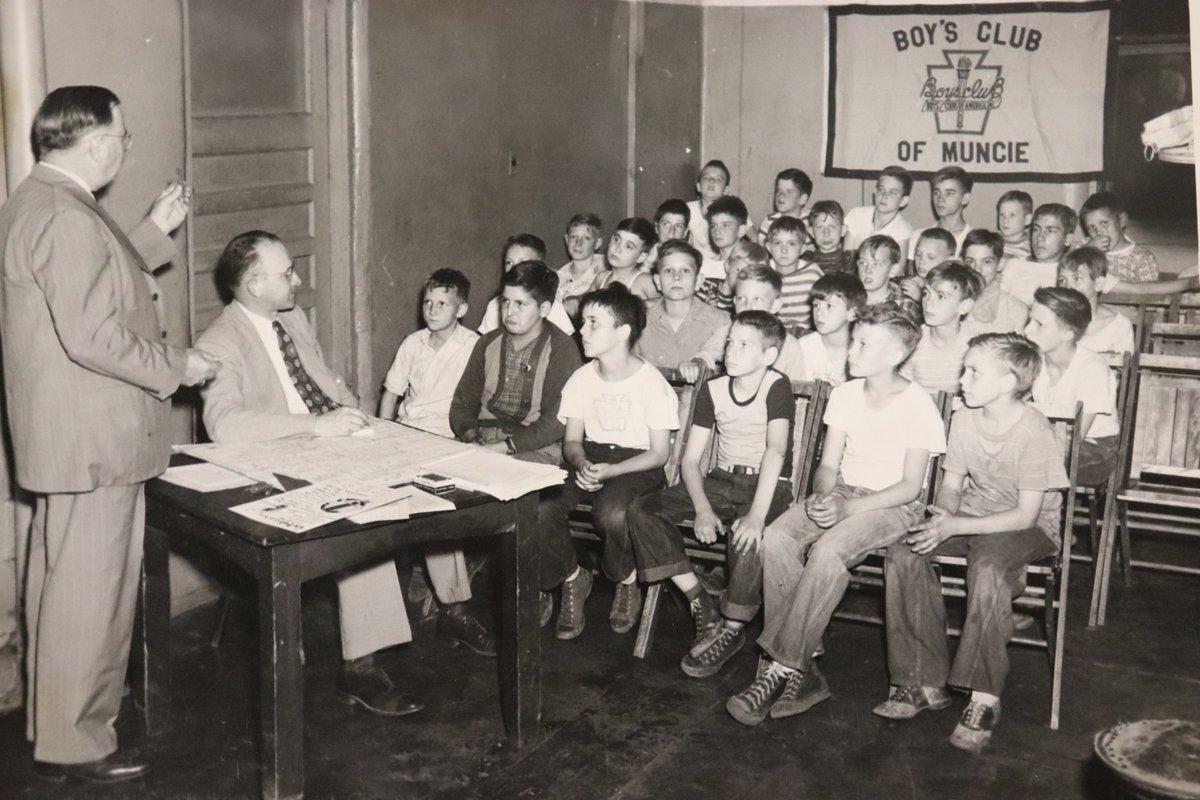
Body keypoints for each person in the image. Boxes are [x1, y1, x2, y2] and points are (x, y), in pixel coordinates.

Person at [0, 85, 219, 783]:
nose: (124, 150)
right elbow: (94, 333)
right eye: (122, 140)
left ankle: (55, 733)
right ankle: (79, 743)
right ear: (95, 144)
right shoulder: (66, 216)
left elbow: (91, 279)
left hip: (68, 438)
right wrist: (180, 366)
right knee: (92, 596)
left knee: (64, 590)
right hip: (95, 439)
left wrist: (152, 231)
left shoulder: (41, 198)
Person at [198, 231, 432, 717]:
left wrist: (356, 416)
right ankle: (361, 667)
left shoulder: (292, 318)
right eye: (287, 273)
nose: (298, 280)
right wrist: (315, 428)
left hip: (333, 443)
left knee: (432, 474)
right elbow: (224, 426)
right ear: (255, 284)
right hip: (278, 462)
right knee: (366, 512)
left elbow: (326, 381)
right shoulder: (219, 341)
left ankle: (454, 605)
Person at [726, 305, 946, 726]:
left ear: (895, 355)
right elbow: (828, 465)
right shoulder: (846, 394)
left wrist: (847, 510)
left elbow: (910, 487)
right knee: (778, 536)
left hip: (893, 506)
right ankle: (804, 663)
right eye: (854, 340)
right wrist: (824, 496)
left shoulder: (918, 405)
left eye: (864, 344)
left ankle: (782, 668)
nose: (852, 350)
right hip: (844, 491)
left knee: (828, 551)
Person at [878, 333, 1068, 753]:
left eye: (974, 372)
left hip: (1028, 526)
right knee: (905, 552)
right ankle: (921, 680)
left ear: (1009, 382)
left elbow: (1026, 516)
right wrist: (943, 518)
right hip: (973, 513)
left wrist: (956, 525)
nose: (962, 379)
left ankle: (984, 697)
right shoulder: (965, 418)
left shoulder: (1034, 430)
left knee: (988, 566)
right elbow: (951, 485)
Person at [628, 311, 795, 676]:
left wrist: (756, 516)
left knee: (748, 536)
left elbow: (776, 451)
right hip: (720, 481)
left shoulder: (776, 385)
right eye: (730, 342)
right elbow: (690, 461)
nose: (731, 351)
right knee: (643, 509)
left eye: (744, 345)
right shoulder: (714, 387)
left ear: (769, 356)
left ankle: (732, 627)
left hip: (768, 485)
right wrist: (703, 508)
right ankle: (699, 600)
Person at [449, 260, 582, 627]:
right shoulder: (489, 343)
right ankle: (453, 598)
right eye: (505, 301)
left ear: (544, 308)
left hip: (539, 444)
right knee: (442, 487)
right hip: (486, 440)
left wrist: (506, 447)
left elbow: (557, 420)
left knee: (528, 503)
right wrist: (471, 435)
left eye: (521, 304)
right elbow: (462, 403)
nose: (509, 311)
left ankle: (559, 578)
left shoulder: (562, 348)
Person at [546, 286, 680, 639]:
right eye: (582, 322)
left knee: (612, 513)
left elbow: (659, 454)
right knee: (541, 505)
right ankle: (572, 577)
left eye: (594, 323)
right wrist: (581, 463)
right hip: (591, 456)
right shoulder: (581, 378)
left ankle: (626, 578)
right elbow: (572, 442)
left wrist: (614, 471)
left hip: (638, 464)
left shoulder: (651, 383)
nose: (582, 330)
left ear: (622, 332)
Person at [377, 268, 496, 656]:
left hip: (448, 438)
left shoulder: (473, 345)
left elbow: (482, 401)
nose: (431, 309)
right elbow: (391, 394)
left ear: (461, 309)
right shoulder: (413, 343)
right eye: (428, 302)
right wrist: (382, 435)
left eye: (442, 304)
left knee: (439, 514)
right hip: (406, 435)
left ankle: (455, 610)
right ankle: (390, 607)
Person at [1024, 287, 1119, 487]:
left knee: (1030, 459)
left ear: (1067, 333)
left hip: (1094, 448)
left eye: (1039, 324)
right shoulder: (1035, 359)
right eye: (1029, 321)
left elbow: (1076, 438)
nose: (1027, 330)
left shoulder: (1092, 368)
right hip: (1051, 439)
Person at [634, 240, 729, 371]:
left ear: (698, 281)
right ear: (658, 281)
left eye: (685, 270)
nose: (676, 277)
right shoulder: (639, 319)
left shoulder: (719, 322)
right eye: (668, 271)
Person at [904, 262, 982, 394]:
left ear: (964, 306)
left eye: (941, 296)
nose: (929, 302)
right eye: (926, 293)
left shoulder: (974, 346)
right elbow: (902, 386)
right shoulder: (914, 338)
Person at [479, 234, 575, 335]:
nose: (514, 268)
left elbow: (567, 341)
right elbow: (484, 341)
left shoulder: (550, 306)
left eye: (523, 262)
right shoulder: (496, 304)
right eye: (509, 262)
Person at [1057, 247, 1136, 355]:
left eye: (1076, 278)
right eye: (1062, 280)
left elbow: (1123, 364)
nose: (1067, 287)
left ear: (1099, 284)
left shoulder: (1119, 326)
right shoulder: (1052, 320)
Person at [792, 272, 865, 386]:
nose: (819, 313)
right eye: (816, 305)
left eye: (829, 306)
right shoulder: (805, 346)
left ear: (852, 313)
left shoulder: (862, 351)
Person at [1000, 203, 1075, 307]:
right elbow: (997, 304)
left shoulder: (1069, 273)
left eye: (1050, 231)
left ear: (1068, 239)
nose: (1040, 237)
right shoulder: (1015, 264)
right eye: (1036, 229)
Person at [1079, 191, 1159, 283]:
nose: (1098, 232)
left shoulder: (1141, 258)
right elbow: (1067, 271)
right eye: (1092, 227)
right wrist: (1087, 251)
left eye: (1104, 223)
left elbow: (1151, 291)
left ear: (1122, 220)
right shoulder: (1084, 246)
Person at [962, 229, 1029, 336]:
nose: (977, 269)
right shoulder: (951, 302)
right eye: (970, 262)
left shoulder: (1015, 310)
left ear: (1000, 264)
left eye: (986, 262)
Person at [907, 166, 974, 263]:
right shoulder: (918, 236)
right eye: (936, 192)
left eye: (949, 193)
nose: (940, 199)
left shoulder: (974, 240)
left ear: (965, 198)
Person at [844, 165, 915, 256]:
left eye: (892, 193)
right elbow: (847, 256)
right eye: (881, 189)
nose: (884, 196)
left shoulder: (902, 229)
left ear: (903, 201)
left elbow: (898, 264)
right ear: (875, 192)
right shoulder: (857, 214)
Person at [769, 216, 823, 334]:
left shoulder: (812, 273)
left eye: (792, 244)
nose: (784, 250)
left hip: (806, 333)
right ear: (769, 247)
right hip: (771, 332)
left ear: (802, 248)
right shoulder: (763, 273)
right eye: (777, 243)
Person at [589, 217, 660, 300]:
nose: (618, 249)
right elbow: (582, 300)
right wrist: (576, 298)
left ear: (641, 257)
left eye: (628, 246)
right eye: (616, 240)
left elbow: (665, 304)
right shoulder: (601, 278)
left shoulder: (645, 282)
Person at [858, 234, 920, 325]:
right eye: (863, 262)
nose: (868, 270)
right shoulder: (849, 299)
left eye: (877, 264)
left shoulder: (904, 307)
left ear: (892, 270)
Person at [699, 195, 753, 293]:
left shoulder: (751, 266)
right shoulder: (704, 266)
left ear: (741, 230)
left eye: (725, 225)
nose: (717, 231)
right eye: (714, 225)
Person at [558, 213, 605, 317]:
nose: (578, 243)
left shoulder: (606, 266)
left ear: (598, 243)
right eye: (573, 237)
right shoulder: (559, 278)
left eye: (586, 238)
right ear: (566, 239)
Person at [757, 168, 812, 245]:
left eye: (789, 192)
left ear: (802, 199)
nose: (781, 195)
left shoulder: (812, 220)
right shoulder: (769, 221)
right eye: (778, 191)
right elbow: (761, 249)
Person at [902, 227, 956, 302]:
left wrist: (920, 298)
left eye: (931, 257)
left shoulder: (953, 287)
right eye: (918, 254)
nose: (921, 261)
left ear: (949, 260)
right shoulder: (916, 280)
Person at [802, 200, 855, 274]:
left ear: (843, 230)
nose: (826, 234)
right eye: (820, 227)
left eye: (832, 227)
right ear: (811, 232)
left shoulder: (849, 262)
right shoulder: (805, 261)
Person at [996, 190, 1033, 260]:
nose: (1005, 220)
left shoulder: (1032, 248)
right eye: (1002, 214)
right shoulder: (991, 240)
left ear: (1027, 219)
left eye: (1012, 215)